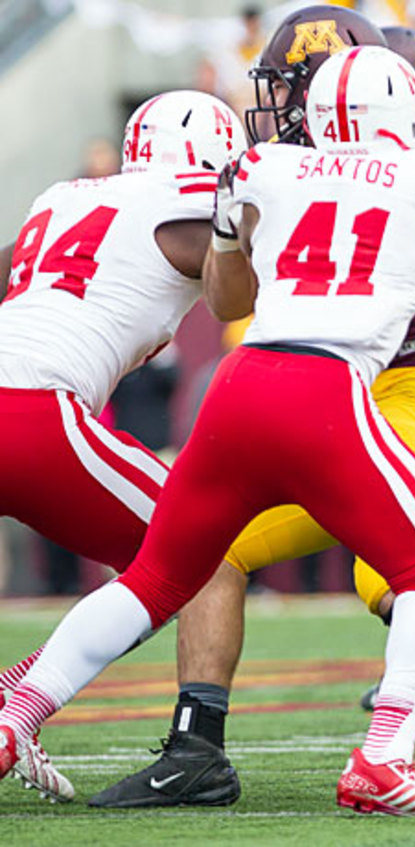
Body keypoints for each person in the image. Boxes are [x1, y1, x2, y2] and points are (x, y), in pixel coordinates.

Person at [90, 8, 415, 812]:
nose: (272, 103)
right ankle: (198, 746)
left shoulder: (406, 130)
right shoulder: (282, 157)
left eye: (285, 84)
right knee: (209, 551)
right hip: (316, 403)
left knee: (391, 567)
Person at [0, 44, 415, 817]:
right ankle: (385, 756)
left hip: (240, 387)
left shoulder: (265, 171)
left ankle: (15, 713)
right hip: (324, 391)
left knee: (157, 575)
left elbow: (232, 295)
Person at [0, 89, 245, 805]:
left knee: (163, 559)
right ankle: (30, 713)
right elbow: (250, 279)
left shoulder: (62, 193)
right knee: (206, 555)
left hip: (23, 387)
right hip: (33, 410)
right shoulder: (188, 193)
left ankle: (18, 688)